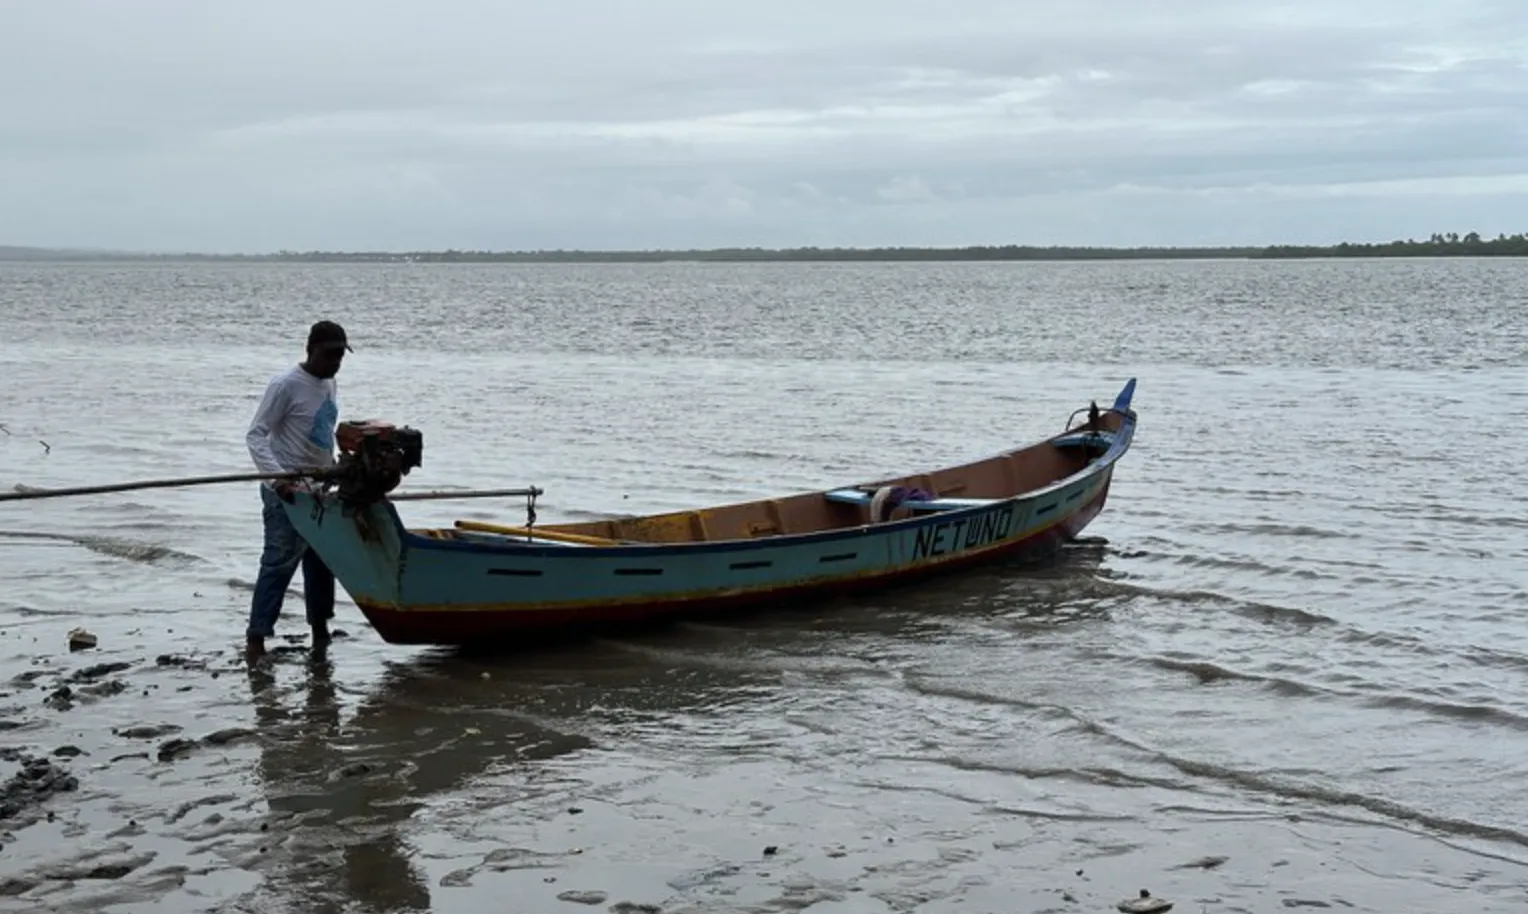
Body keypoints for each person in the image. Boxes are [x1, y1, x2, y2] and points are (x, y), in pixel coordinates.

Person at [243, 320, 353, 662]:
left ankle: (320, 632)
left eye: (339, 356)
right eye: (329, 355)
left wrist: (335, 465)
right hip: (286, 493)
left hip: (318, 489)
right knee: (278, 562)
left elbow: (320, 433)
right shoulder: (285, 385)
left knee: (322, 563)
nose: (334, 362)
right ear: (311, 350)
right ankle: (256, 640)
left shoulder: (329, 383)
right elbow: (256, 435)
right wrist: (278, 479)